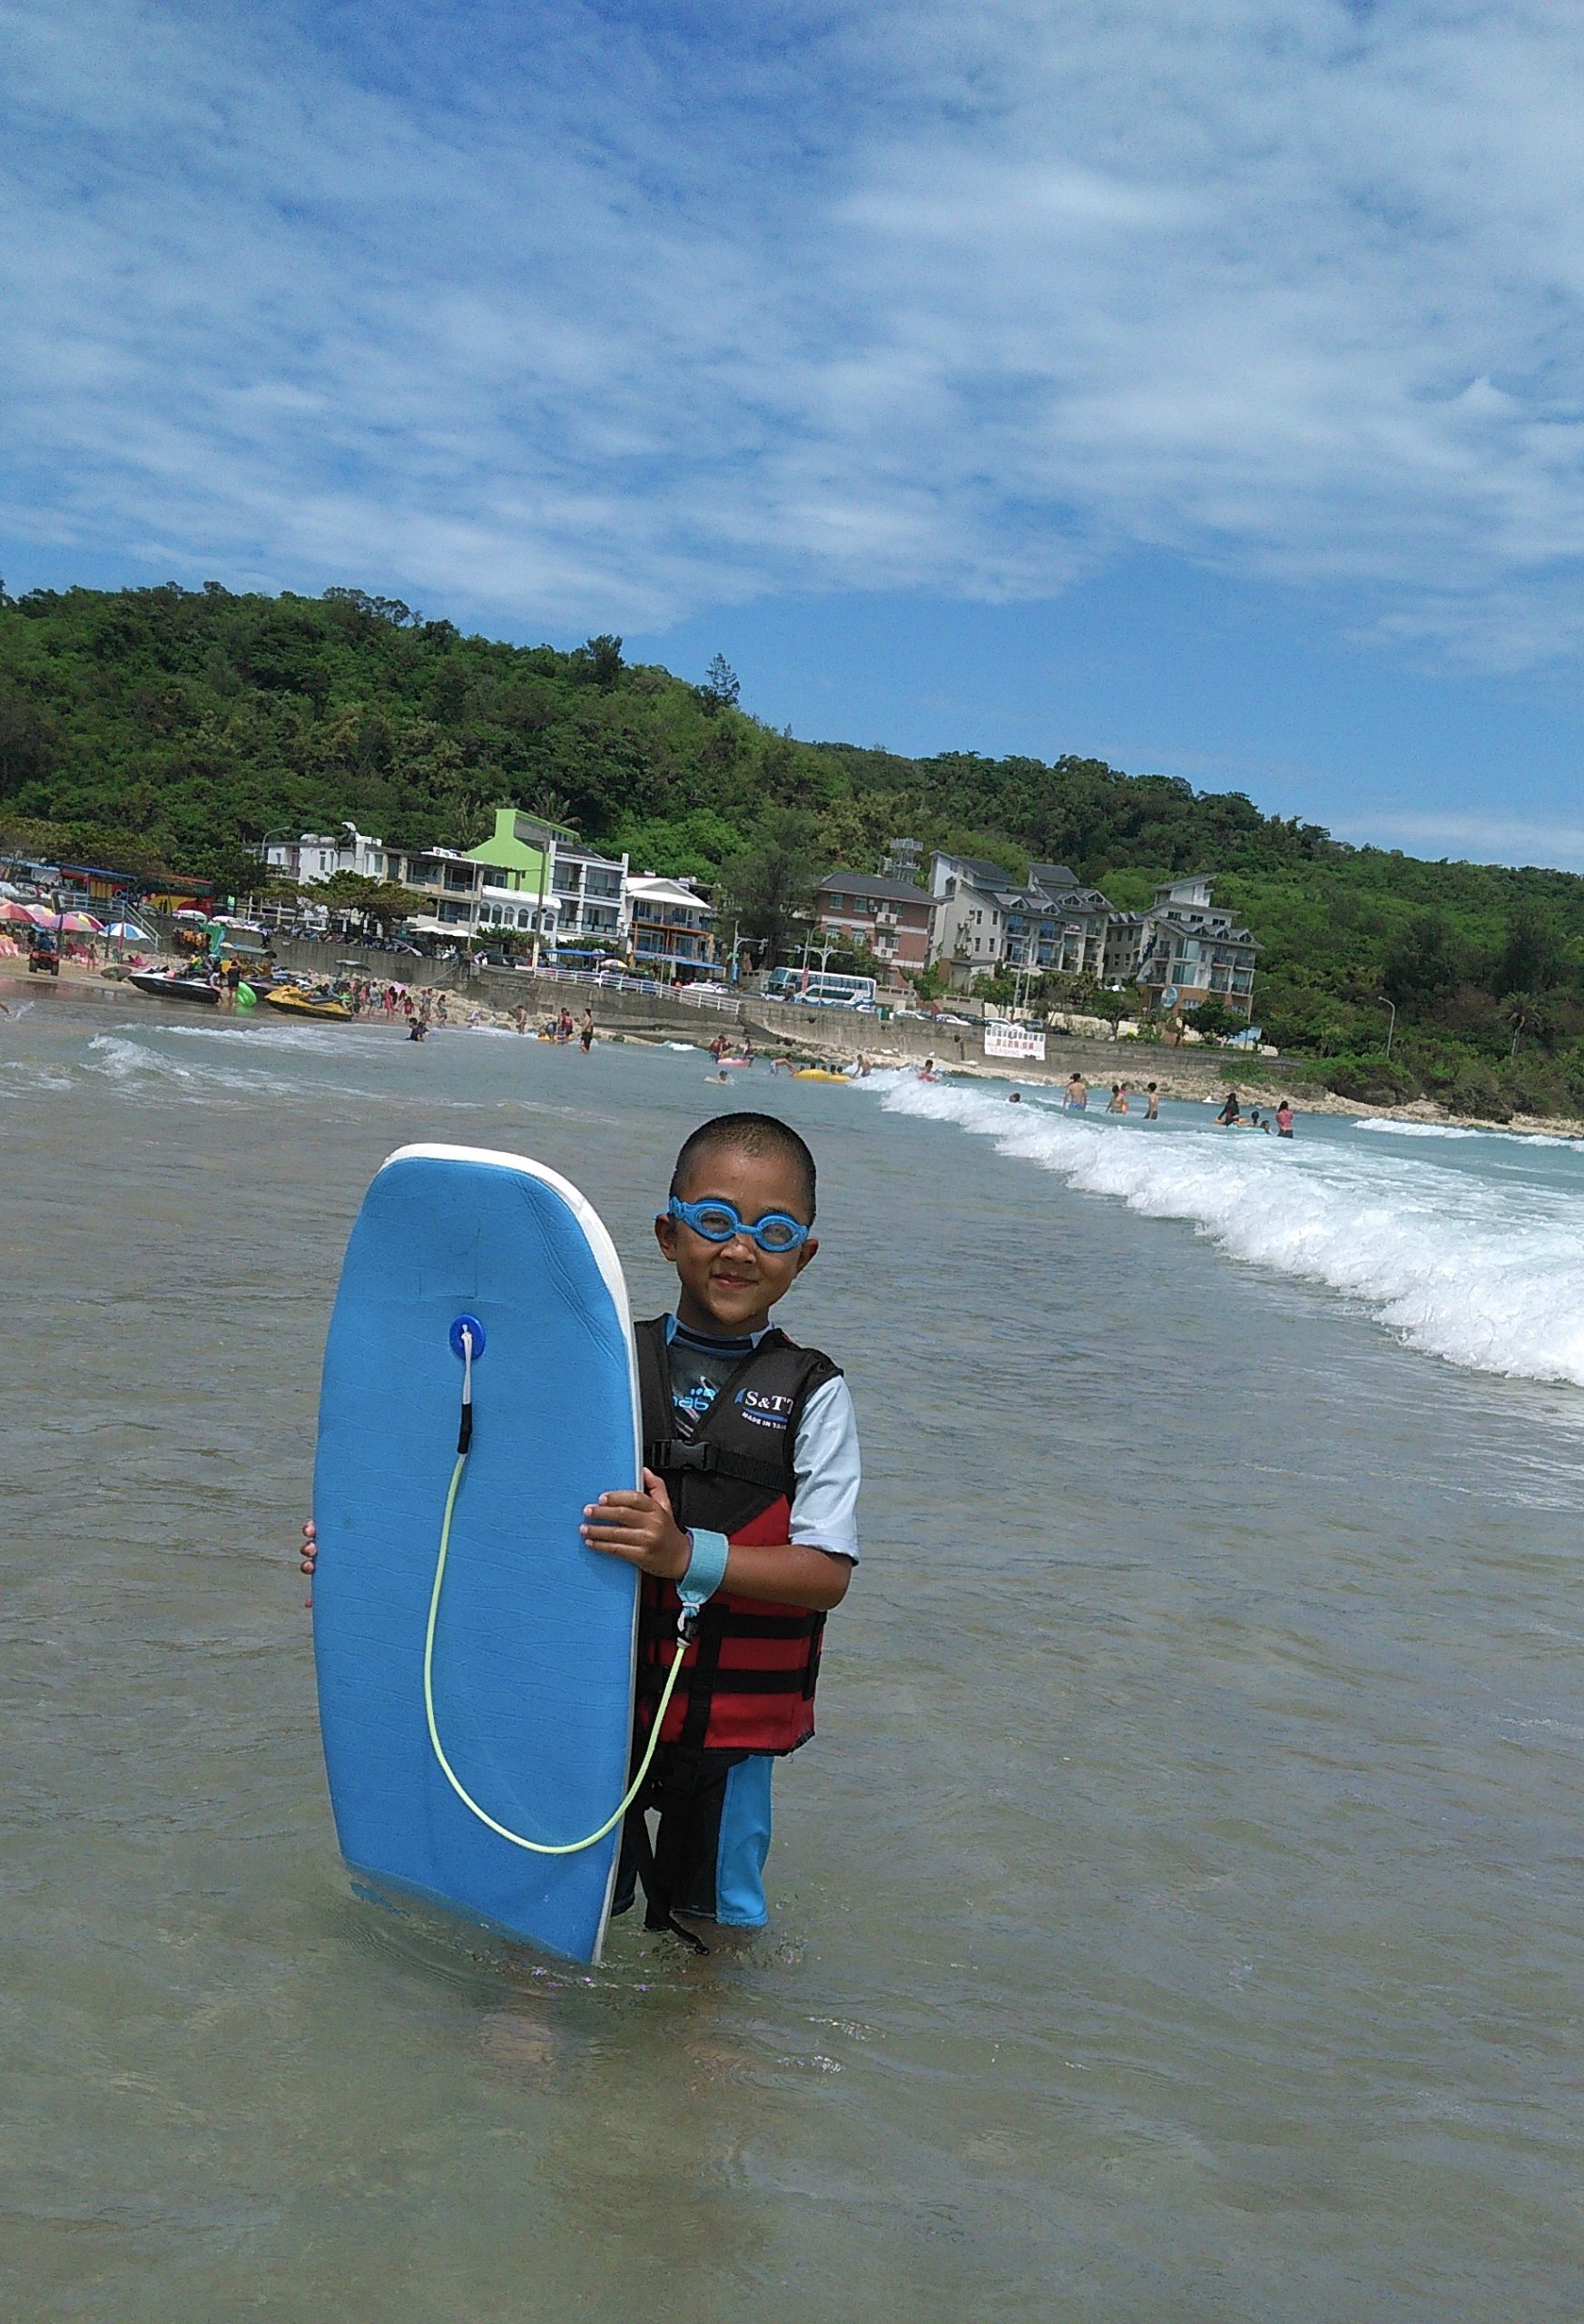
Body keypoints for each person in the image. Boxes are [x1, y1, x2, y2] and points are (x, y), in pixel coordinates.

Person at [301, 1111, 860, 1946]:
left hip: (724, 1731)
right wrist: (367, 1545)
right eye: (713, 1222)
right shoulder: (594, 1363)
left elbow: (827, 1573)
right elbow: (486, 1499)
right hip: (585, 1703)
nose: (739, 1249)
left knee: (715, 1927)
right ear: (668, 1234)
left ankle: (711, 2056)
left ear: (804, 1256)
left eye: (772, 1232)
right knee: (556, 1899)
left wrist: (684, 1555)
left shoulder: (815, 1394)